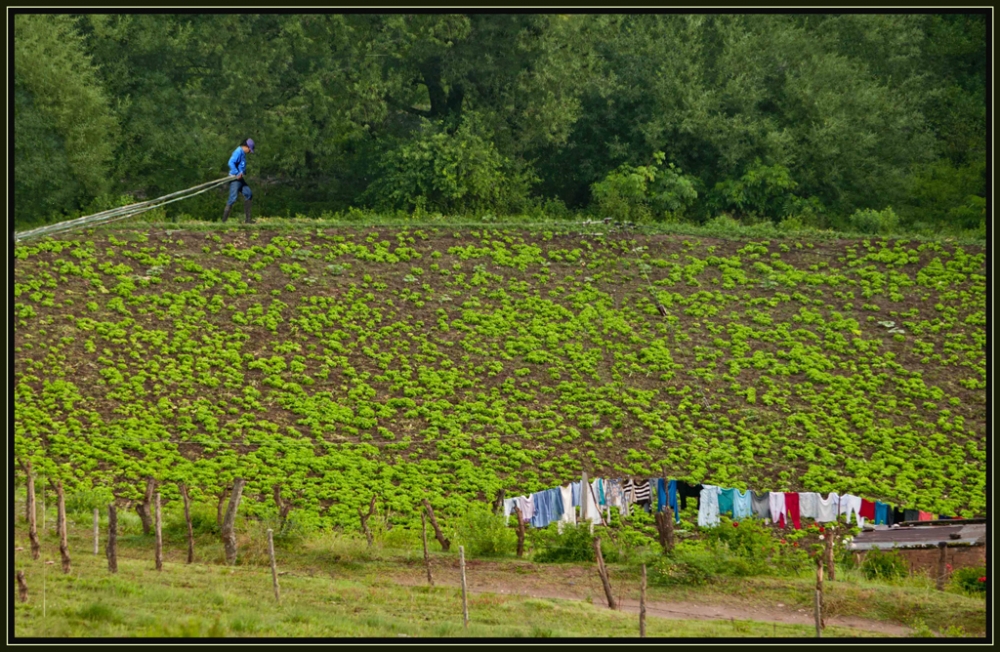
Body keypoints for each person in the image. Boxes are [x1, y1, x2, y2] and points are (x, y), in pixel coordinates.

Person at [223, 138, 255, 223]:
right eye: (249, 149)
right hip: (235, 179)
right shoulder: (238, 151)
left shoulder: (243, 153)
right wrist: (237, 173)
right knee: (232, 199)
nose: (249, 152)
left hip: (240, 179)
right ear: (246, 147)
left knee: (249, 194)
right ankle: (223, 222)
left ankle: (248, 220)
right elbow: (230, 162)